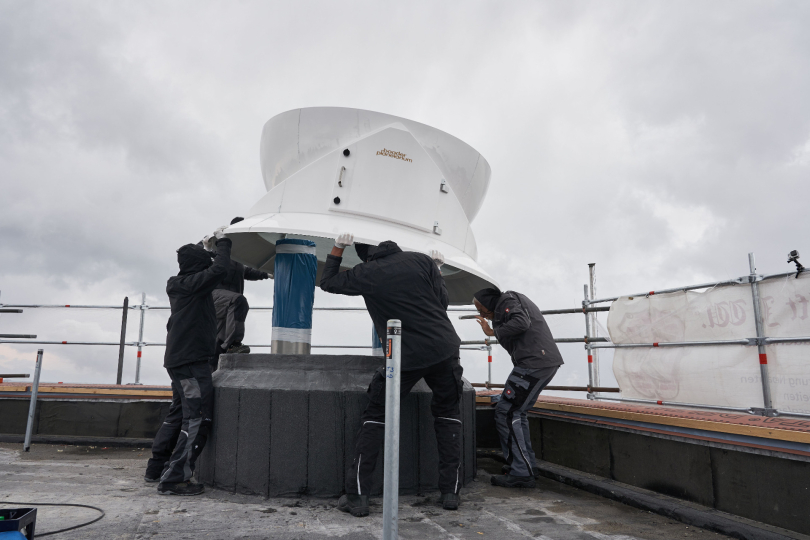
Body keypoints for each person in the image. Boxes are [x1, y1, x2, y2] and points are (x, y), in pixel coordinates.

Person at [320, 233, 463, 516]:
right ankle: (451, 493)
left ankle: (358, 496)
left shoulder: (366, 272)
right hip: (445, 349)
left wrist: (337, 247)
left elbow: (328, 282)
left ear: (364, 254)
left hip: (405, 356)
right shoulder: (421, 261)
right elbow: (442, 302)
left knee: (375, 416)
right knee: (448, 415)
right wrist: (437, 269)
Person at [144, 228, 231, 496]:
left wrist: (207, 249)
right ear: (198, 265)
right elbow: (219, 269)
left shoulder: (183, 284)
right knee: (196, 418)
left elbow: (208, 266)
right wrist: (223, 243)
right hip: (192, 362)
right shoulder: (190, 284)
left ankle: (156, 468)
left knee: (179, 414)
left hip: (180, 360)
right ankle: (175, 479)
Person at [472, 287, 563, 489]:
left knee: (507, 412)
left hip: (533, 364)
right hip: (541, 362)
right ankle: (526, 466)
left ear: (489, 302)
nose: (481, 313)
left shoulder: (507, 300)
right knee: (517, 412)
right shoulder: (509, 303)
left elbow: (522, 323)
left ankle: (521, 471)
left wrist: (492, 332)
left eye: (480, 308)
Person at [206, 217, 271, 369]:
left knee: (219, 340)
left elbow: (245, 272)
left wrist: (266, 274)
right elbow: (197, 258)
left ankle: (214, 370)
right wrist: (207, 249)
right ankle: (233, 345)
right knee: (236, 303)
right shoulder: (217, 245)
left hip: (229, 304)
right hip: (216, 299)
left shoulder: (239, 254)